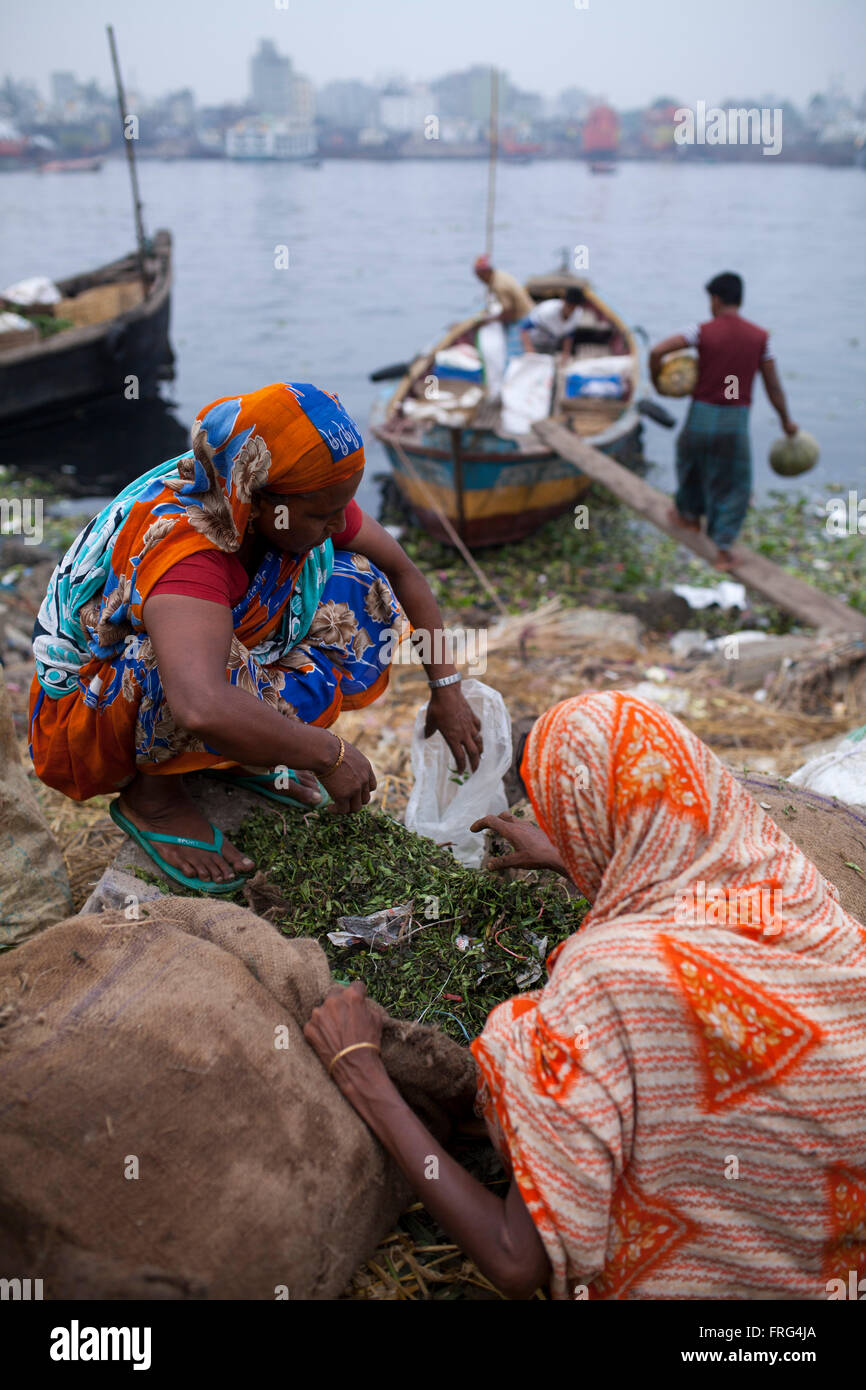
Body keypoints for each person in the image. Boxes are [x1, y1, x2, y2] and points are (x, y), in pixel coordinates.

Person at [304, 691, 866, 1300]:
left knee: (526, 1037)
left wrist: (363, 1073)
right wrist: (583, 865)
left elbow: (517, 1261)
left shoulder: (606, 983)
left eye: (562, 821)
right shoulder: (799, 897)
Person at [29, 381, 482, 894]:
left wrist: (447, 689)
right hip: (97, 704)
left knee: (361, 580)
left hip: (207, 657)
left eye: (344, 506)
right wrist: (324, 752)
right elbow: (200, 705)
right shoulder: (187, 554)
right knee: (170, 660)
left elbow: (403, 572)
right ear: (257, 499)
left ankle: (235, 755)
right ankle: (154, 798)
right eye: (322, 513)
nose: (339, 522)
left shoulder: (288, 503)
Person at [649, 272, 798, 571]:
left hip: (700, 415)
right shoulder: (760, 338)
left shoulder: (701, 331)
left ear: (716, 300)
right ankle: (723, 551)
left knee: (689, 464)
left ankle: (688, 516)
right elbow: (773, 385)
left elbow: (657, 350)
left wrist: (658, 381)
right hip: (734, 421)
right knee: (733, 484)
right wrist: (786, 422)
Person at [519, 287, 596, 358]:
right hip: (534, 340)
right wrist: (529, 349)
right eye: (570, 305)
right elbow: (524, 328)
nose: (571, 309)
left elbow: (569, 335)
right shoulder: (547, 311)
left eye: (574, 306)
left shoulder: (577, 313)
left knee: (547, 364)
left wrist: (565, 355)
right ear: (564, 301)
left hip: (551, 344)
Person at [473, 254, 534, 325]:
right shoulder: (498, 274)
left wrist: (490, 319)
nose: (480, 279)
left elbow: (508, 311)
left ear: (485, 273)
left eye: (480, 276)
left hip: (523, 316)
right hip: (529, 310)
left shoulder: (499, 285)